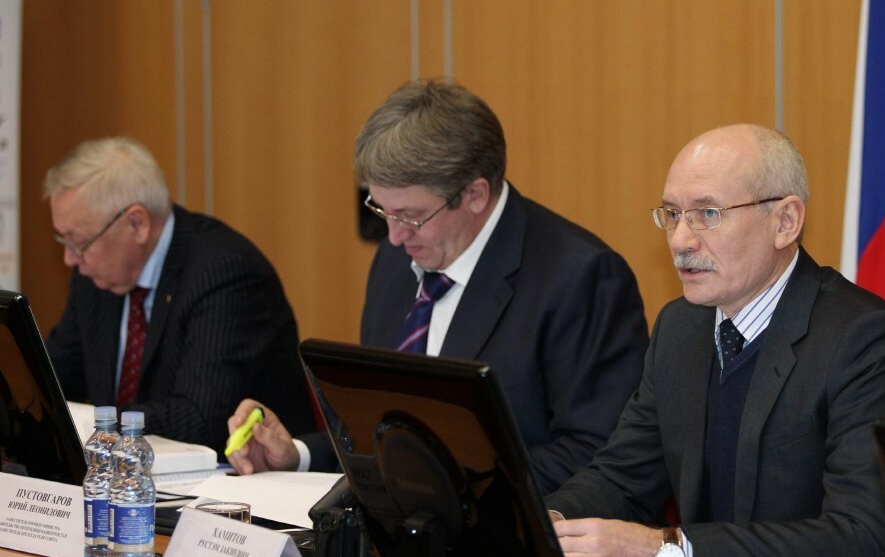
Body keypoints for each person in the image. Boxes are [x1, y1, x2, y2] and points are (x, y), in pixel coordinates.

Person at [545, 124, 885, 557]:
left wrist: (671, 552)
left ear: (785, 222)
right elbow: (622, 476)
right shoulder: (680, 328)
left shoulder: (862, 338)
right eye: (672, 213)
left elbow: (860, 538)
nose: (680, 240)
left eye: (707, 213)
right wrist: (547, 525)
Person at [227, 79, 649, 494]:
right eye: (382, 210)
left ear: (476, 194)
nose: (394, 236)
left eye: (410, 216)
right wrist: (297, 454)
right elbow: (381, 433)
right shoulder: (396, 262)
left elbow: (595, 454)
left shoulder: (581, 278)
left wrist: (437, 488)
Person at [45, 137, 315, 453]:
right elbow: (54, 379)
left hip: (237, 475)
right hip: (129, 472)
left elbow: (198, 418)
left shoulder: (224, 272)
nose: (70, 259)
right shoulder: (96, 277)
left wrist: (91, 423)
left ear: (137, 224)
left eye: (78, 242)